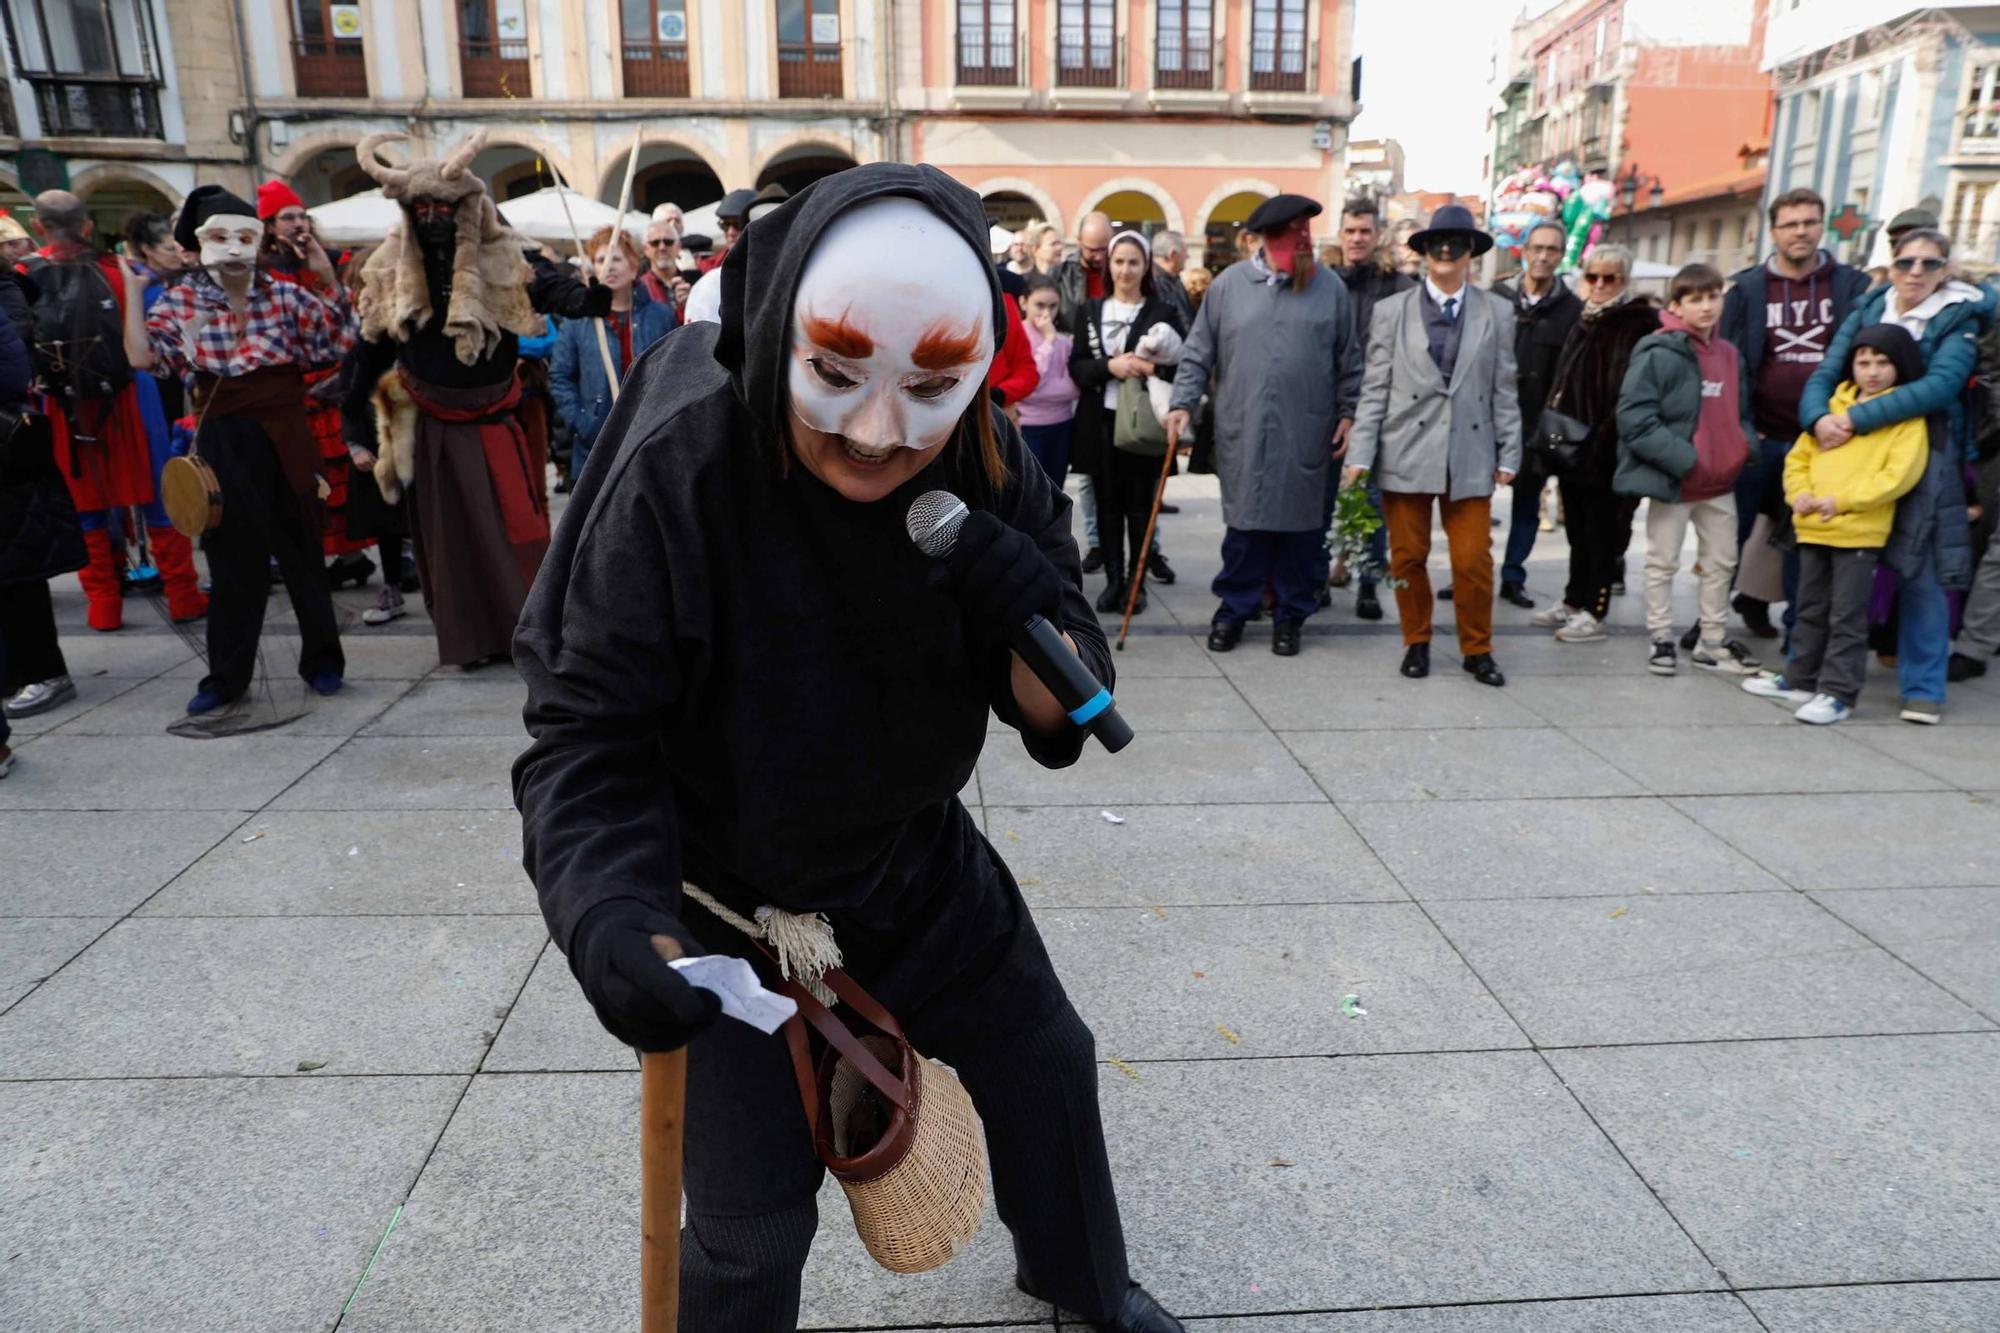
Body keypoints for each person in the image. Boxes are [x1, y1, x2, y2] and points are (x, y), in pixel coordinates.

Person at [513, 163, 1185, 1333]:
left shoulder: (976, 453)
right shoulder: (683, 465)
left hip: (912, 861)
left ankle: (1081, 1278)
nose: (878, 433)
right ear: (778, 337)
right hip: (719, 896)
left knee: (1046, 1062)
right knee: (751, 1221)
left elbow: (1060, 701)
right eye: (834, 375)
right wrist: (608, 909)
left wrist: (1025, 609)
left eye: (928, 386)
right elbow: (584, 730)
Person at [339, 131, 611, 669]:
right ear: (410, 211)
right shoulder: (389, 268)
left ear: (468, 207)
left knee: (522, 531)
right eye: (424, 208)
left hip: (494, 419)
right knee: (451, 543)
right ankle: (471, 641)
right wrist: (354, 427)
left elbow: (553, 289)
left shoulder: (504, 255)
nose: (436, 217)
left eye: (447, 206)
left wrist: (590, 298)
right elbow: (365, 355)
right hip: (433, 426)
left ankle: (531, 630)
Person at [123, 185, 355, 715]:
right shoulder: (182, 299)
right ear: (200, 242)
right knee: (232, 564)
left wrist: (325, 275)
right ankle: (226, 677)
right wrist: (135, 295)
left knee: (303, 554)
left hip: (288, 435)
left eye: (244, 235)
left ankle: (323, 662)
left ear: (259, 239)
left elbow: (340, 343)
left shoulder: (286, 295)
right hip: (225, 439)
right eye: (219, 236)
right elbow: (141, 357)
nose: (232, 248)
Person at [1795, 227, 1995, 724]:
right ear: (1893, 263)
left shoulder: (1960, 313)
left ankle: (1923, 687)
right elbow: (1829, 368)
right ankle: (1804, 672)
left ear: (1946, 269)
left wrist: (1854, 418)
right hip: (1851, 452)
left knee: (1920, 571)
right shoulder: (1871, 306)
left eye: (1930, 264)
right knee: (1829, 566)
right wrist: (1818, 416)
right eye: (1907, 262)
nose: (1916, 273)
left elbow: (1941, 385)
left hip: (1928, 452)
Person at [1169, 194, 1361, 656]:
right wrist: (1182, 403)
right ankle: (1234, 610)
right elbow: (1198, 351)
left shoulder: (1330, 288)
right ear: (1261, 241)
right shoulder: (1228, 286)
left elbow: (1349, 361)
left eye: (1305, 236)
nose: (1300, 245)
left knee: (1301, 534)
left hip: (1308, 430)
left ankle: (1291, 617)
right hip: (1246, 427)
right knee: (1246, 529)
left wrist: (1349, 412)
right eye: (1290, 237)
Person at [1346, 204, 1520, 686]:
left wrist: (1510, 452)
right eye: (1437, 243)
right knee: (1406, 558)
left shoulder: (1497, 311)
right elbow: (1374, 385)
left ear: (1470, 253)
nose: (1446, 251)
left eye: (1458, 244)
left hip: (1470, 453)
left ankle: (1477, 648)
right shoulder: (1391, 311)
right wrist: (1360, 452)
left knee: (1473, 562)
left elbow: (1505, 387)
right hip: (1406, 449)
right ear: (1423, 252)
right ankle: (1416, 640)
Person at [24, 189, 205, 631]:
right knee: (157, 498)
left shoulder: (23, 276)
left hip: (63, 403)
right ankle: (183, 596)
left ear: (37, 227)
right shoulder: (126, 271)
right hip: (130, 396)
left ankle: (103, 605)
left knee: (85, 504)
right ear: (88, 227)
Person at [1743, 325, 1929, 723]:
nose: (1872, 371)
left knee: (1847, 616)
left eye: (1882, 362)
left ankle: (1839, 692)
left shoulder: (1904, 419)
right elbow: (1799, 457)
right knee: (1809, 607)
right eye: (1864, 362)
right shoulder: (1832, 407)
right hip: (1813, 526)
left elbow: (1898, 476)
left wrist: (1841, 501)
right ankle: (1801, 678)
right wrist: (1799, 495)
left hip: (1859, 532)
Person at [1717, 187, 1870, 644]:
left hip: (1823, 439)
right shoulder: (1746, 289)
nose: (1800, 232)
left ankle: (1798, 636)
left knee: (1805, 541)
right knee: (1733, 533)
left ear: (1820, 226)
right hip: (1758, 436)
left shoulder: (1851, 286)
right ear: (1774, 231)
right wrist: (1741, 429)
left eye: (1808, 222)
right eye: (1790, 224)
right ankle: (1707, 626)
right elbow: (1729, 363)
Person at [1614, 263, 1761, 678]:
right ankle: (1661, 637)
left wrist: (1741, 445)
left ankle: (1711, 641)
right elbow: (1634, 417)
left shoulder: (1730, 355)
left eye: (1713, 296)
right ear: (1676, 306)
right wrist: (1684, 458)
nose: (1707, 306)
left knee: (1721, 563)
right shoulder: (1658, 351)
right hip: (1675, 480)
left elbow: (1740, 409)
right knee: (1663, 562)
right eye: (1695, 299)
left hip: (1721, 480)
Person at [1524, 243, 1658, 643]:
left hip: (1605, 449)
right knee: (1577, 531)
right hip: (1571, 445)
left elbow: (1628, 391)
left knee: (1602, 534)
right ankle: (1572, 599)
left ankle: (1594, 610)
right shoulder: (1586, 317)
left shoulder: (1636, 322)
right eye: (1592, 276)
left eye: (1609, 277)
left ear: (1624, 280)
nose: (1599, 284)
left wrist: (1603, 437)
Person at [256, 178, 375, 590]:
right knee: (303, 478)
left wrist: (323, 271)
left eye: (303, 216)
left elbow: (343, 321)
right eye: (288, 217)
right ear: (269, 226)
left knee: (339, 478)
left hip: (329, 384)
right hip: (289, 389)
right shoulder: (262, 270)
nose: (298, 224)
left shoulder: (326, 258)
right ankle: (313, 555)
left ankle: (351, 555)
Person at [1069, 231, 1184, 616]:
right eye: (1119, 261)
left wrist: (1147, 366)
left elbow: (1179, 366)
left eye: (1134, 262)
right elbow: (1078, 368)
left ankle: (1136, 582)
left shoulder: (1161, 312)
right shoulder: (1090, 310)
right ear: (1109, 264)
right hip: (1100, 420)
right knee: (1106, 504)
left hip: (1141, 422)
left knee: (1138, 504)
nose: (1125, 270)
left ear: (1146, 266)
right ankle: (1115, 579)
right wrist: (1110, 366)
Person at [1, 255, 83, 732]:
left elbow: (11, 372)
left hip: (7, 454)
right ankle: (15, 671)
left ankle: (44, 671)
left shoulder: (5, 291)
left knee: (17, 565)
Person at [1326, 197, 1416, 619]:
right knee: (1324, 501)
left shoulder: (1398, 286)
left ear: (1376, 234)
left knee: (1372, 505)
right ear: (1340, 234)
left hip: (1379, 410)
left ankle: (1367, 584)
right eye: (1350, 231)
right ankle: (1316, 578)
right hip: (1328, 409)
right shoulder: (1324, 283)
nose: (1357, 238)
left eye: (1364, 231)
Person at [1492, 220, 1584, 610]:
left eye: (1552, 250)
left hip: (1541, 421)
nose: (1544, 256)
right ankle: (1473, 565)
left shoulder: (1572, 309)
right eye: (1537, 248)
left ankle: (1513, 574)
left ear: (1561, 257)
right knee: (1471, 501)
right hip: (1490, 417)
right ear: (1524, 251)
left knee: (1528, 502)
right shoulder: (1495, 297)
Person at [550, 225, 677, 482]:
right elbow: (560, 377)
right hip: (595, 448)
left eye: (616, 259)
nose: (608, 266)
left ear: (632, 266)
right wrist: (583, 423)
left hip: (648, 442)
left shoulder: (661, 316)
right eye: (601, 260)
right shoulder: (578, 321)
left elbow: (675, 374)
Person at [1016, 272, 1079, 484]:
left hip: (1061, 423)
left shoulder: (1065, 341)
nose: (1047, 313)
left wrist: (1046, 389)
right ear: (1024, 302)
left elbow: (1074, 388)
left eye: (1053, 306)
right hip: (1027, 425)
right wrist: (1049, 341)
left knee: (1056, 489)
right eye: (1040, 305)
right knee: (1030, 490)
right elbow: (1030, 384)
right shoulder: (1017, 335)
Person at [639, 217, 691, 314]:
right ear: (645, 249)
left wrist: (690, 304)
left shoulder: (692, 282)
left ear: (679, 246)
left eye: (668, 242)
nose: (662, 247)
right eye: (655, 243)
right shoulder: (639, 288)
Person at [1150, 229, 1193, 326]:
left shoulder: (1173, 280)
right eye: (1184, 251)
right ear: (1172, 254)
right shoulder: (1155, 283)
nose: (1187, 256)